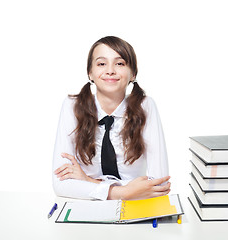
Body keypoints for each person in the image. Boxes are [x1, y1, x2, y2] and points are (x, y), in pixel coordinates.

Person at [52, 36, 170, 200]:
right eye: (101, 64)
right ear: (90, 73)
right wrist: (125, 192)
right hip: (86, 209)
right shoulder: (72, 106)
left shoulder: (146, 106)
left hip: (133, 211)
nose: (110, 70)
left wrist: (87, 181)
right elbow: (61, 184)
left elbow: (160, 185)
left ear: (133, 74)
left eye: (120, 63)